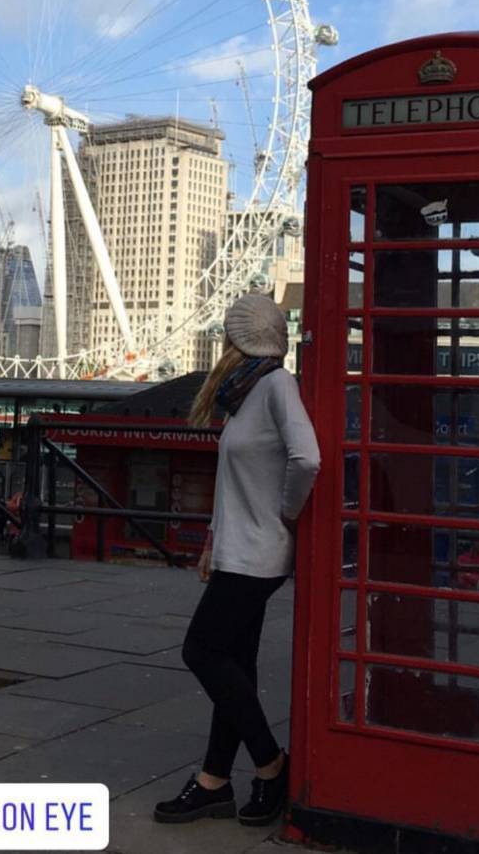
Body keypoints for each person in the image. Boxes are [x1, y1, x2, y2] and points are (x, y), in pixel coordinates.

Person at [154, 293, 320, 828]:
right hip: (235, 550)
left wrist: (285, 514)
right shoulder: (243, 395)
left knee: (200, 651)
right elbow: (236, 482)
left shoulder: (275, 385)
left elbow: (308, 457)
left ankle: (271, 765)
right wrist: (211, 541)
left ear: (240, 340)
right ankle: (213, 783)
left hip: (260, 554)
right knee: (236, 668)